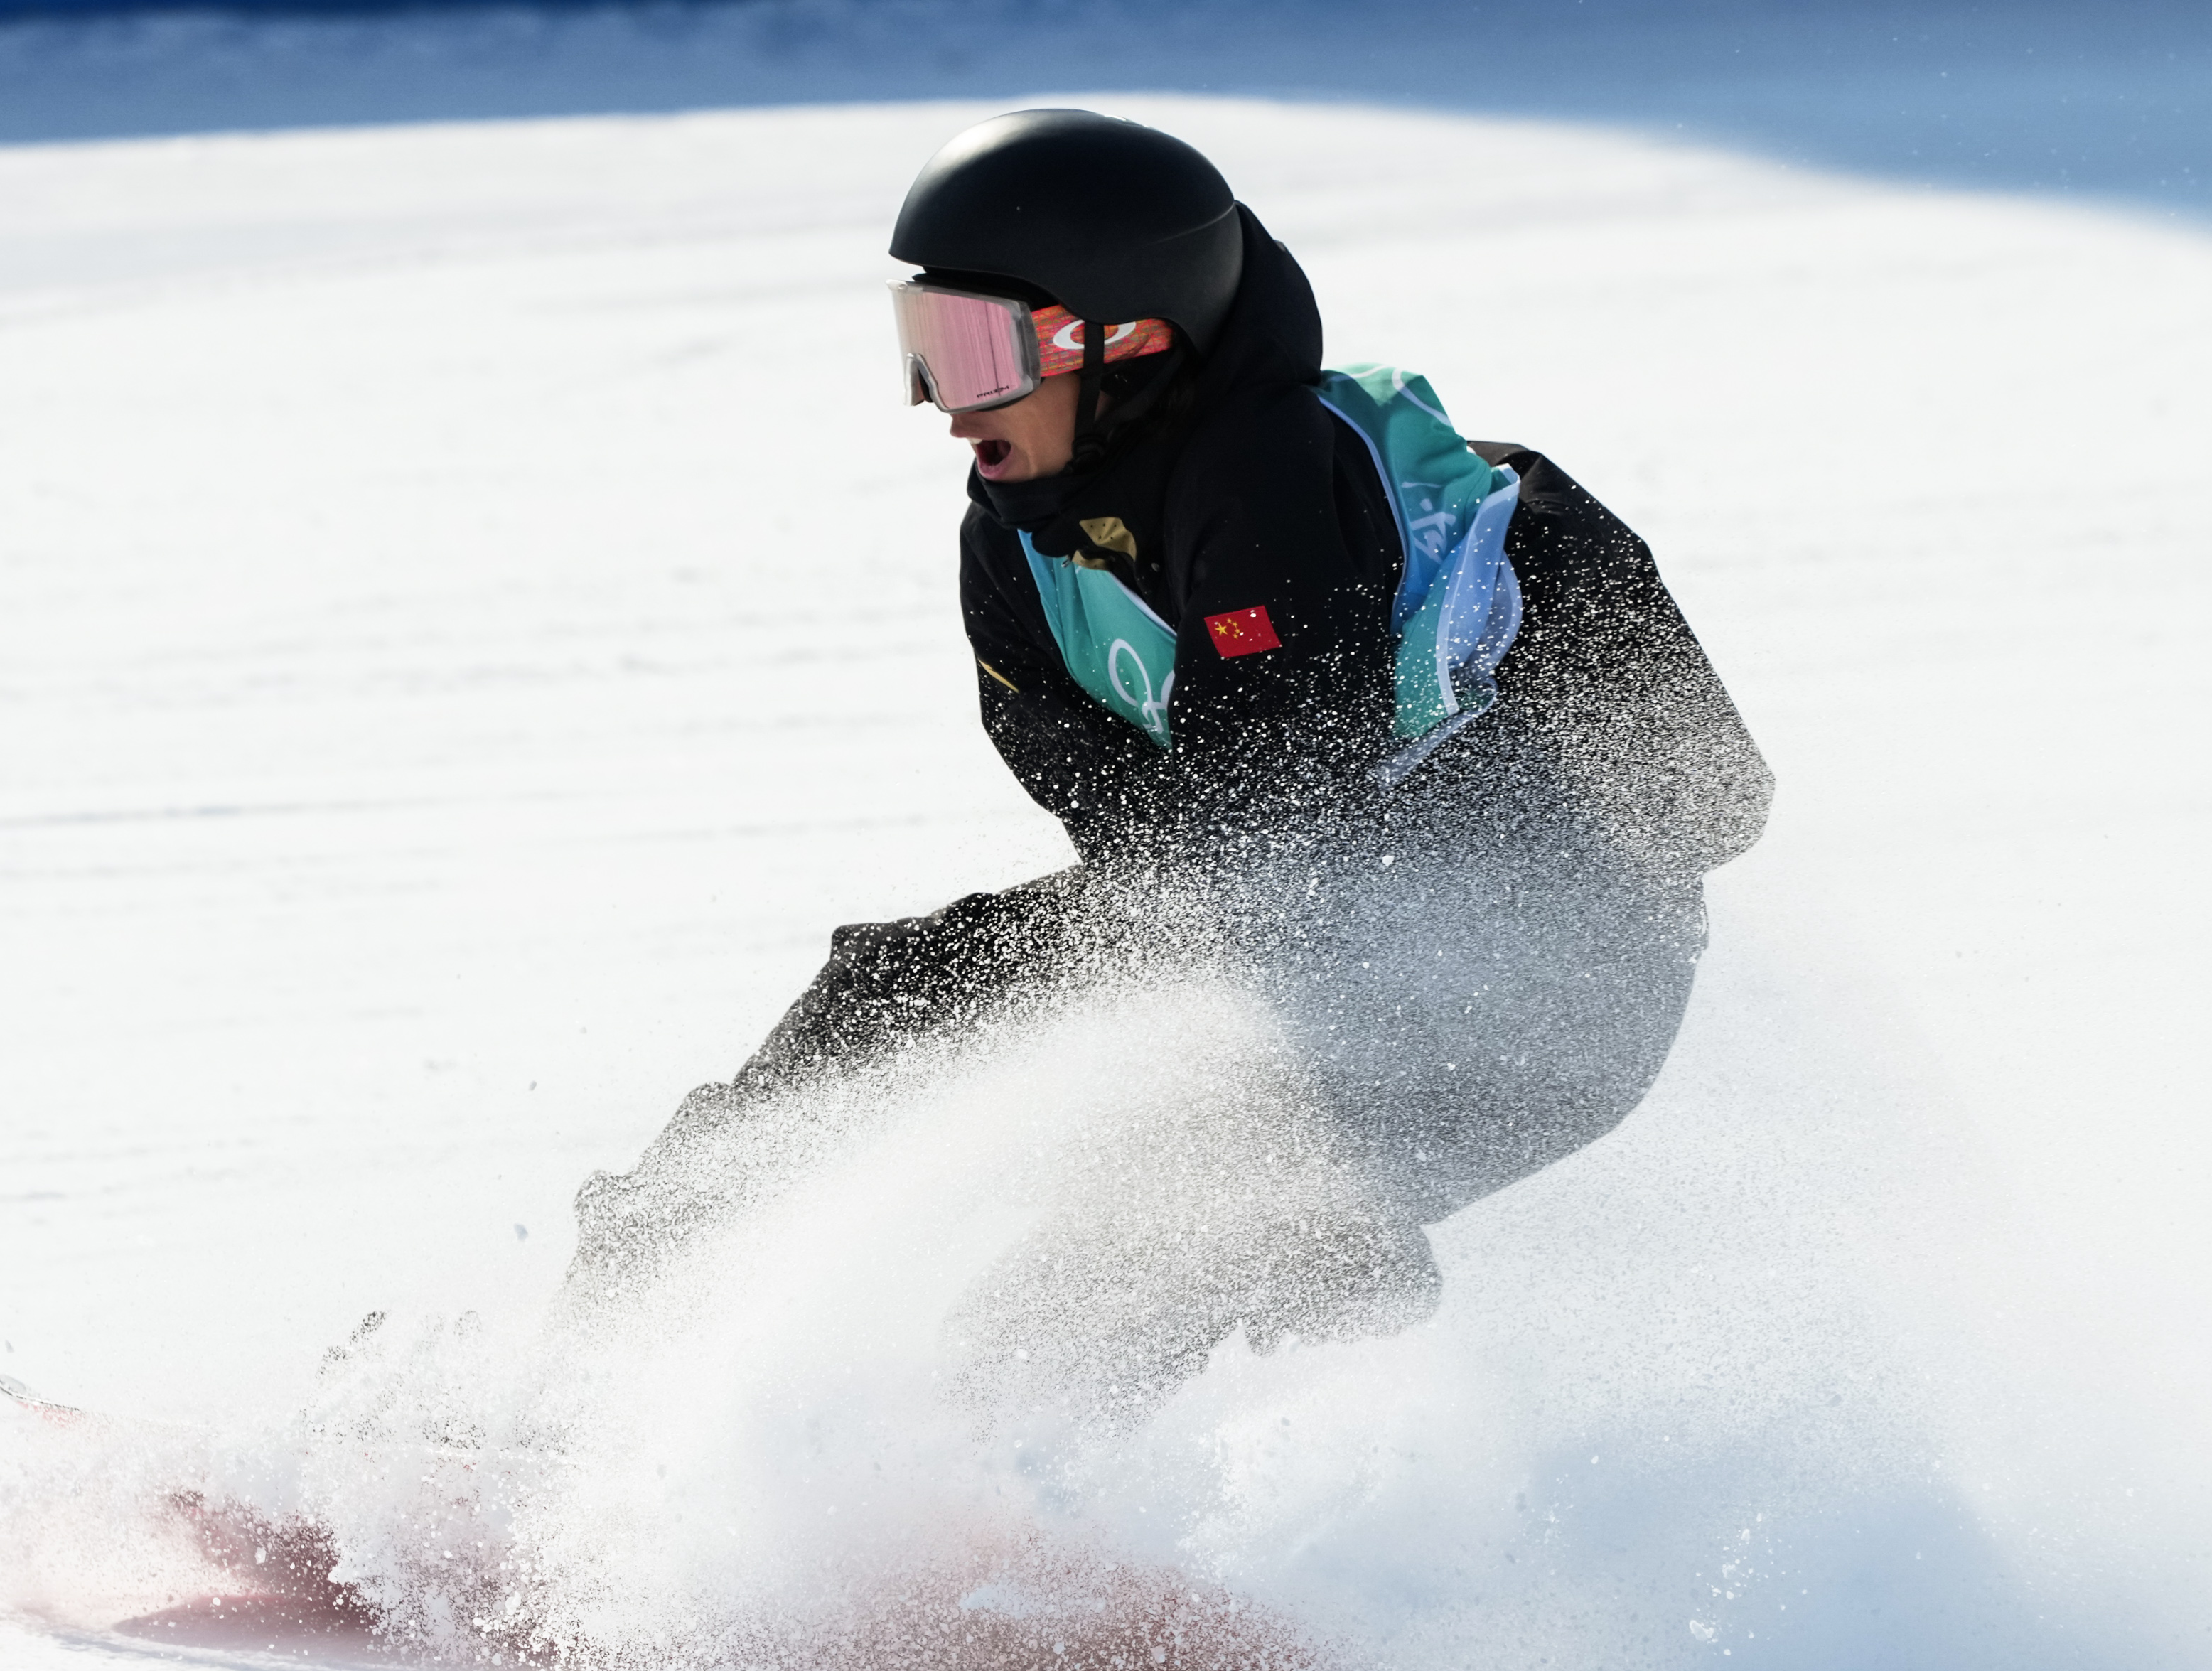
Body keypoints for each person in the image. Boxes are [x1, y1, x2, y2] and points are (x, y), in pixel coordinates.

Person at [561, 110, 1771, 1408]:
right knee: (893, 999)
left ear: (1131, 335)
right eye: (926, 349)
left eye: (979, 352)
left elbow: (1296, 828)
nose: (945, 405)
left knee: (1138, 1235)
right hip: (1300, 962)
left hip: (1542, 1010)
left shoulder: (1280, 485)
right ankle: (587, 1360)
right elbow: (1145, 847)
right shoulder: (1020, 544)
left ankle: (1082, 1524)